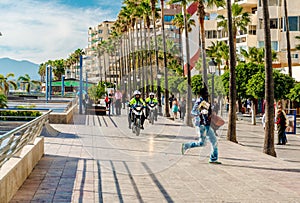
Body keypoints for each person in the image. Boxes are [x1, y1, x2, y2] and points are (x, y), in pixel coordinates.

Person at [181, 84, 221, 164]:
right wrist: (200, 112)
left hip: (207, 124)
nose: (207, 94)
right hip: (201, 125)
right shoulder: (199, 101)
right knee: (203, 143)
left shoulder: (206, 102)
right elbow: (193, 112)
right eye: (206, 93)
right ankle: (186, 146)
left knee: (212, 141)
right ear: (203, 94)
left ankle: (213, 159)